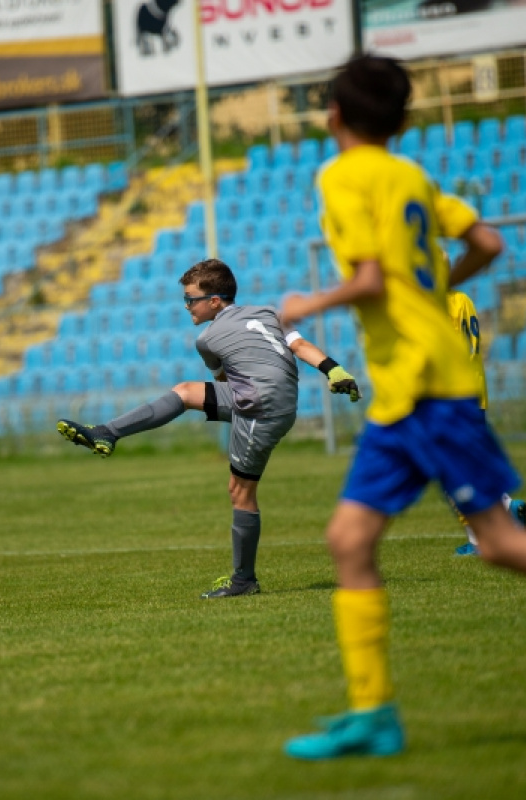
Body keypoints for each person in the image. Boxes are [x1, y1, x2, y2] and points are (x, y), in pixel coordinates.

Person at [279, 54, 526, 761]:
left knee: (501, 544)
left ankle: (373, 714)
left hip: (432, 390)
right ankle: (373, 716)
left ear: (333, 116)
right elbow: (488, 241)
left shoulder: (343, 175)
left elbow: (369, 278)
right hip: (405, 393)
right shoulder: (412, 176)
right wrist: (437, 286)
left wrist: (311, 303)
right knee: (348, 542)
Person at [56, 258, 362, 598]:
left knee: (240, 491)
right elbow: (300, 347)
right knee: (186, 391)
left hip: (259, 409)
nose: (187, 306)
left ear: (214, 300)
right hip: (280, 402)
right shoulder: (269, 313)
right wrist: (334, 370)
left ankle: (244, 580)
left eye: (191, 299)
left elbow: (223, 380)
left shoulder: (208, 339)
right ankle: (107, 432)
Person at [446, 287, 526, 555]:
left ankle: (488, 530)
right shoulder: (462, 298)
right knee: (466, 466)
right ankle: (502, 514)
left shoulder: (433, 305)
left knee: (452, 471)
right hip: (475, 392)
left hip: (449, 397)